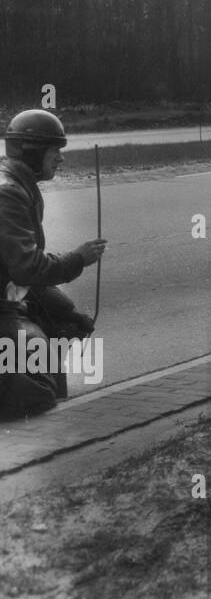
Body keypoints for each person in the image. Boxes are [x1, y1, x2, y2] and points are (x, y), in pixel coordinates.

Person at [0, 110, 106, 420]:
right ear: (32, 151)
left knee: (64, 319)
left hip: (8, 299)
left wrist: (67, 312)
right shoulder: (9, 193)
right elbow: (26, 268)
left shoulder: (18, 185)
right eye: (54, 150)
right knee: (37, 395)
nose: (60, 159)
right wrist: (77, 259)